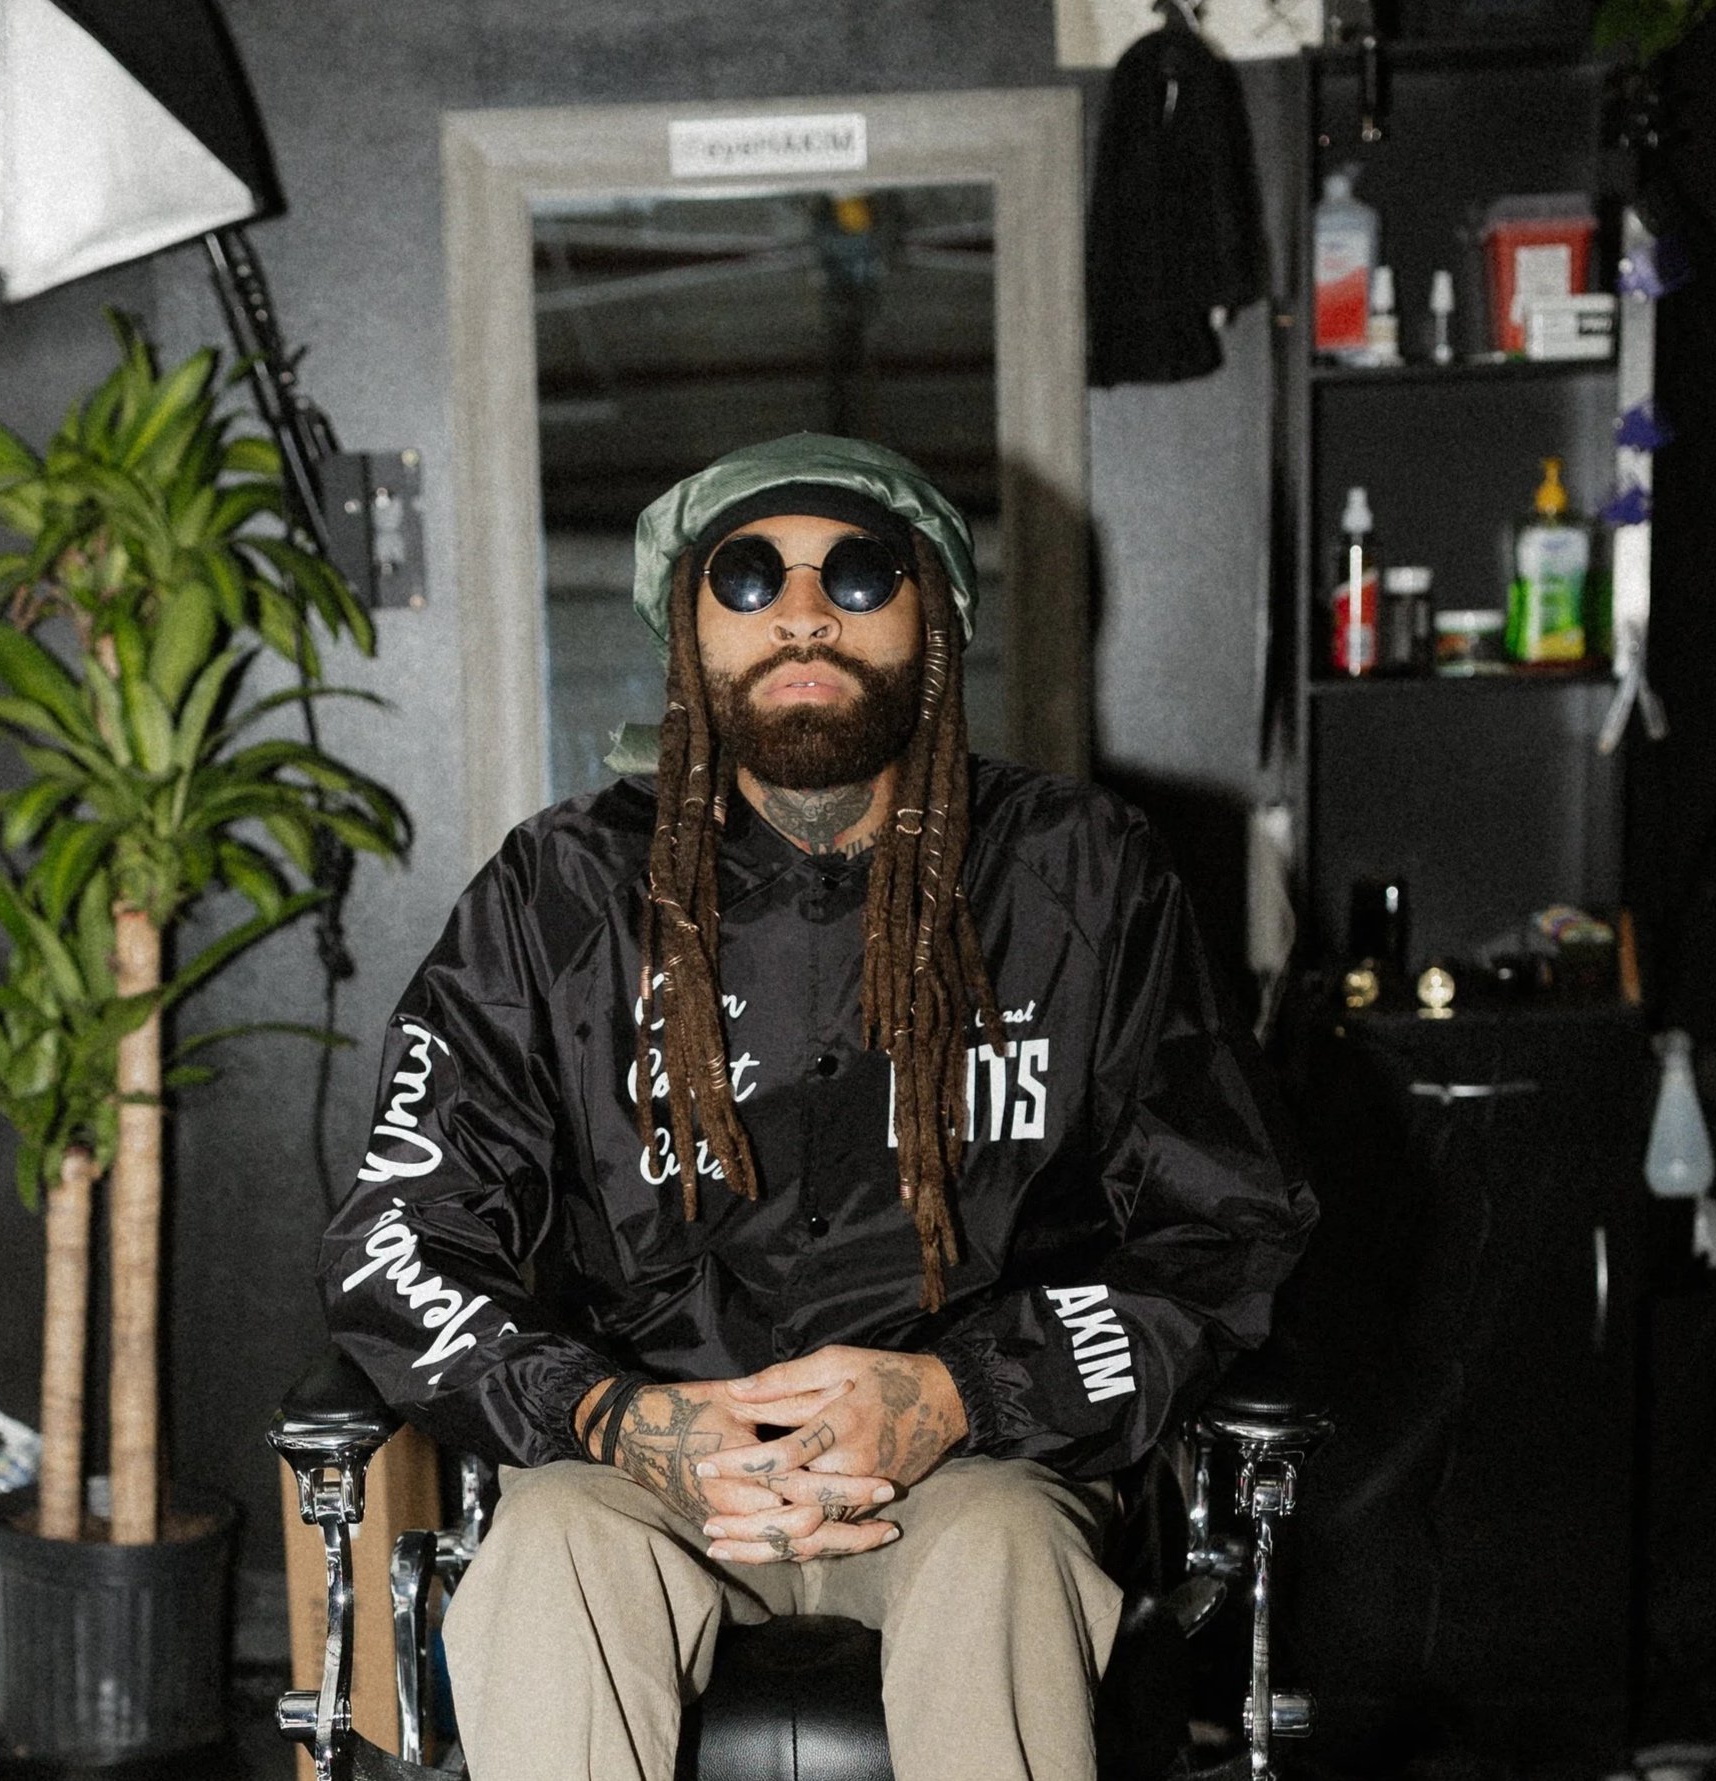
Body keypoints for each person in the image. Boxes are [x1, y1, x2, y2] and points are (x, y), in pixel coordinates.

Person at [320, 433, 1315, 1781]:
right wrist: (610, 1417)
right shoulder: (557, 897)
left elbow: (1228, 1225)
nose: (802, 611)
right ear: (687, 632)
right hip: (649, 1466)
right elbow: (399, 1237)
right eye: (746, 576)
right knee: (543, 1551)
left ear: (934, 620)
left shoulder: (1083, 878)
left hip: (980, 1466)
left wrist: (965, 1391)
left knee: (1005, 1559)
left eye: (857, 570)